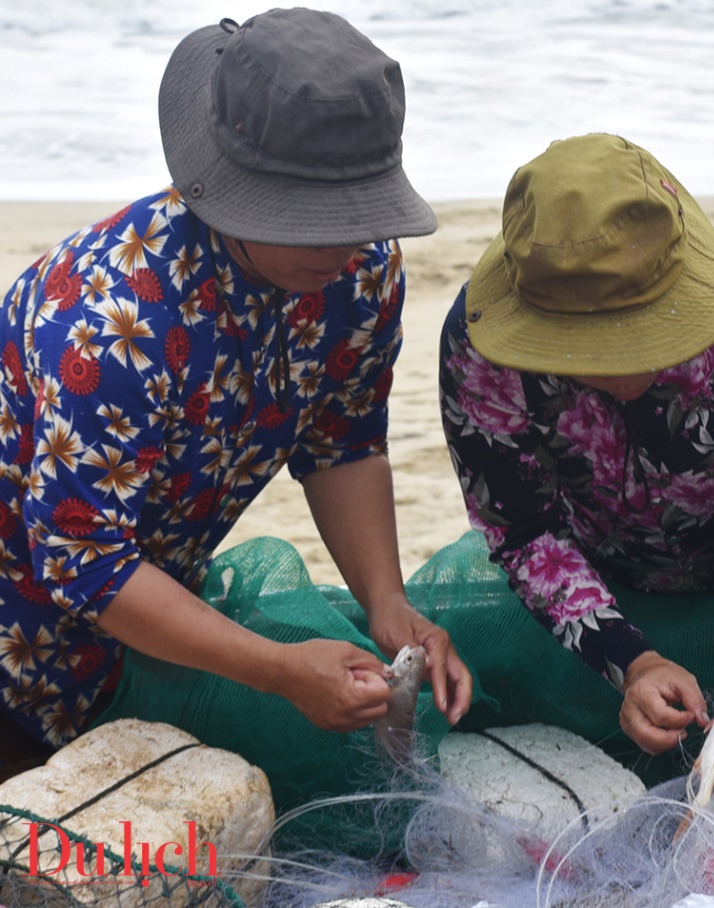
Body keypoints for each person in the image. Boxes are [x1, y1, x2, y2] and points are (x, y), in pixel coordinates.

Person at [0, 8, 472, 748]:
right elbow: (83, 559)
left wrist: (386, 603)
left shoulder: (363, 268)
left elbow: (342, 442)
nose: (340, 245)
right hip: (20, 610)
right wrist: (280, 670)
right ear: (222, 189)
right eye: (306, 219)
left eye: (355, 212)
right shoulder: (111, 316)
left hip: (151, 594)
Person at [438, 133, 714, 754]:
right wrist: (631, 660)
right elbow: (523, 531)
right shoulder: (480, 351)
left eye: (641, 335)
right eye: (583, 346)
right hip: (608, 582)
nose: (620, 373)